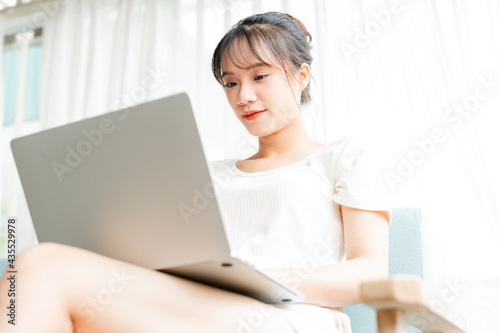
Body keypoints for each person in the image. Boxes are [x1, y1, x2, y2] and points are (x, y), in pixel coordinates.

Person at [0, 11, 391, 333]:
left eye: (259, 76)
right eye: (230, 82)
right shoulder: (205, 176)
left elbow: (368, 272)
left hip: (291, 316)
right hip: (195, 306)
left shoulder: (343, 156)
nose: (243, 96)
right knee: (39, 263)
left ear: (301, 76)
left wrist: (259, 276)